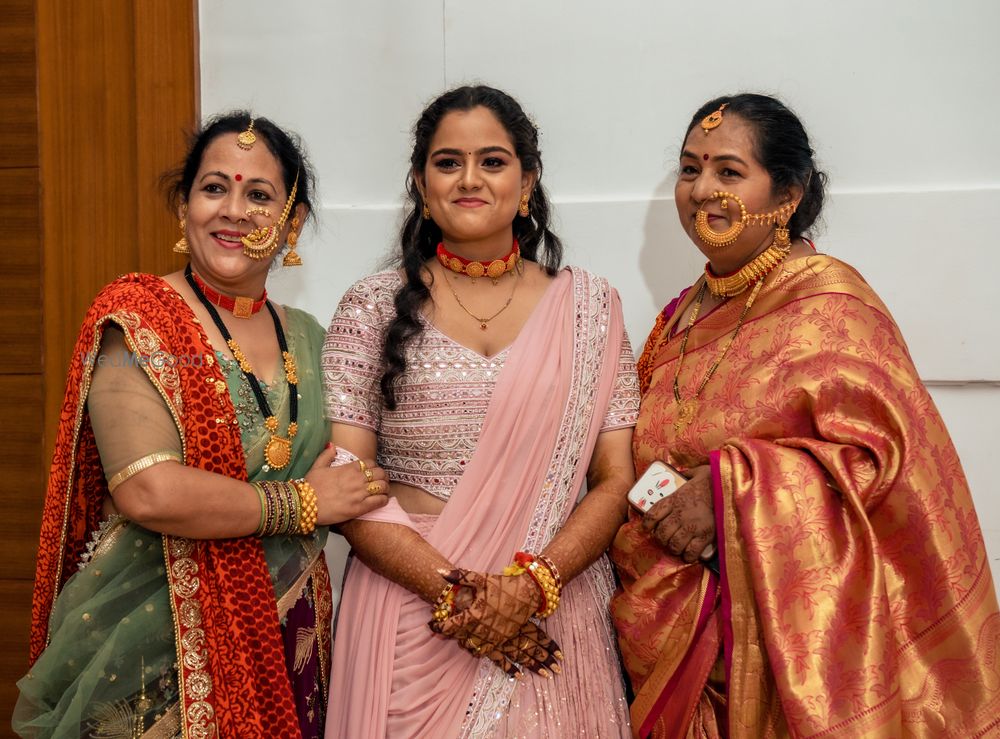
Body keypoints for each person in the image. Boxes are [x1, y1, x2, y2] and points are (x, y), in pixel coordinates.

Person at [611, 93, 1000, 737]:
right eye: (688, 169)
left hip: (794, 647)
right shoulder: (679, 314)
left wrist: (730, 487)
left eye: (728, 172)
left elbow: (887, 462)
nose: (702, 189)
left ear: (786, 192)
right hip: (670, 630)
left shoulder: (828, 301)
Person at [14, 112, 388, 738]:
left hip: (289, 638)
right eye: (215, 188)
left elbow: (357, 478)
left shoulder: (313, 340)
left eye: (259, 195)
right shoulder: (138, 323)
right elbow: (149, 490)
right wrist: (303, 502)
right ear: (184, 207)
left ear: (292, 222)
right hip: (153, 652)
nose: (233, 211)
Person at [321, 85, 639, 737]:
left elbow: (614, 479)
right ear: (420, 182)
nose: (470, 179)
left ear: (529, 181)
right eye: (447, 162)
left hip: (550, 606)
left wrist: (532, 586)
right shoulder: (370, 306)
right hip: (411, 606)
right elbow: (346, 477)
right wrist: (457, 592)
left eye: (493, 161)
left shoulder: (590, 308)